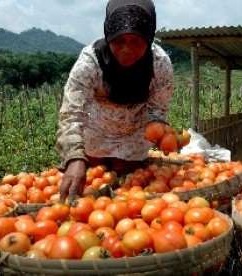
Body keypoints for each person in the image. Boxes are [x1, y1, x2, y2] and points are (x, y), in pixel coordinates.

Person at [56, 0, 174, 203]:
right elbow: (72, 112)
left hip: (133, 138)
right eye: (119, 41)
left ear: (149, 38)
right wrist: (75, 157)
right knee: (93, 181)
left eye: (137, 42)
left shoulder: (160, 65)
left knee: (126, 187)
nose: (127, 49)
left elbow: (157, 108)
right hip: (96, 133)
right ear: (108, 34)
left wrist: (159, 131)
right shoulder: (90, 62)